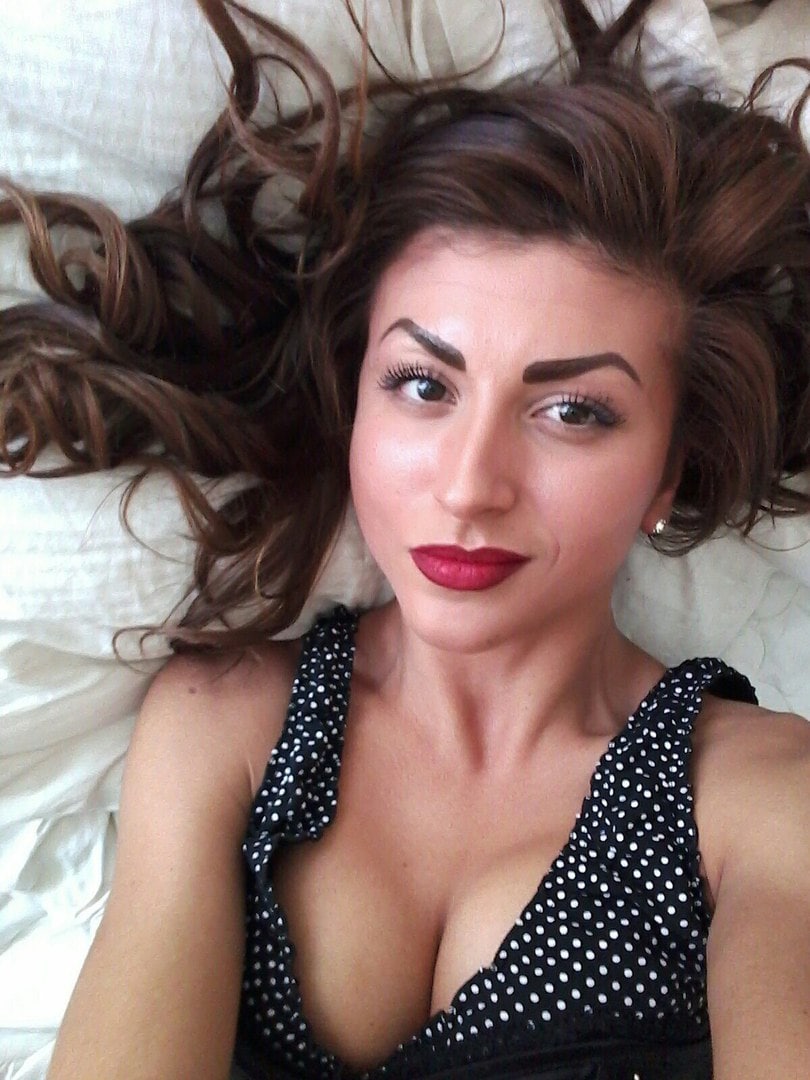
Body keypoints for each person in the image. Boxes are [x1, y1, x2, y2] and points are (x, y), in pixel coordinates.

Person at [1, 0, 809, 1077]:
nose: (470, 487)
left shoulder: (758, 796)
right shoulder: (225, 723)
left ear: (667, 472)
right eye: (424, 385)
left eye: (573, 411)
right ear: (357, 403)